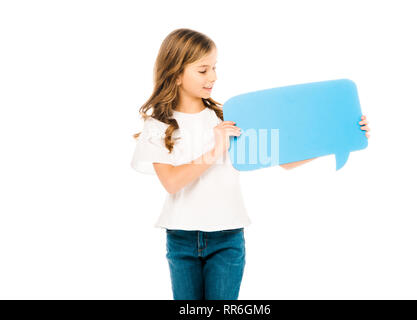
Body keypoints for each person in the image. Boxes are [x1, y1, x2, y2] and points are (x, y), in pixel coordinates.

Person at [130, 28, 371, 300]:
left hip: (227, 237)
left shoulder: (229, 118)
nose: (213, 77)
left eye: (214, 68)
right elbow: (172, 183)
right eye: (203, 70)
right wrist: (216, 149)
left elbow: (285, 162)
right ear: (175, 74)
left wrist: (339, 136)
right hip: (181, 238)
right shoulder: (158, 126)